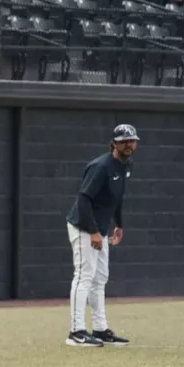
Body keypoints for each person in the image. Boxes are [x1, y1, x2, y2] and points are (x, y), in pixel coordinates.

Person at [65, 124, 137, 347]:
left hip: (102, 228)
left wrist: (119, 224)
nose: (128, 144)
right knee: (84, 276)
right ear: (114, 143)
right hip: (84, 226)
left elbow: (117, 197)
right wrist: (94, 231)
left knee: (100, 278)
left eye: (132, 140)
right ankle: (76, 332)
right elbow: (84, 199)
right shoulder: (101, 166)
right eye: (123, 140)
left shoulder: (126, 165)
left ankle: (100, 329)